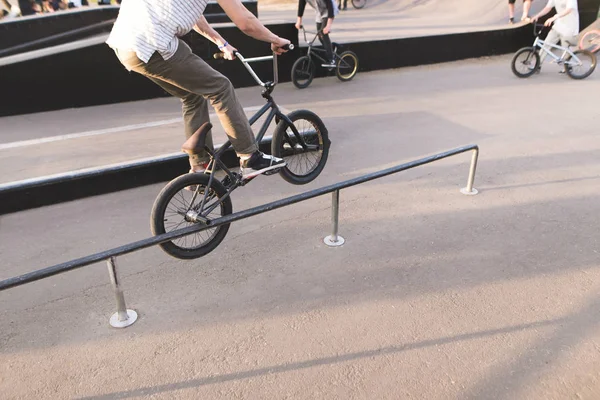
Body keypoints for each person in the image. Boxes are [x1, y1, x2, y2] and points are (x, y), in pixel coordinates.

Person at [106, 0, 291, 179]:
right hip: (153, 44)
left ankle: (199, 167)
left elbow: (193, 14)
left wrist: (222, 43)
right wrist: (275, 39)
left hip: (126, 46)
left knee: (192, 95)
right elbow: (245, 22)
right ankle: (249, 157)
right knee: (221, 88)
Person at [531, 0, 579, 71]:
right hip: (558, 25)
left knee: (565, 48)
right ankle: (537, 65)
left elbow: (569, 10)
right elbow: (548, 8)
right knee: (546, 44)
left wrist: (554, 17)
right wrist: (537, 16)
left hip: (570, 27)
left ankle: (568, 67)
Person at [296, 0, 336, 66]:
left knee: (324, 34)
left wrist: (328, 25)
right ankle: (331, 49)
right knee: (320, 37)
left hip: (329, 11)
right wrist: (299, 21)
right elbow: (302, 4)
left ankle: (332, 60)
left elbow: (330, 6)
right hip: (319, 12)